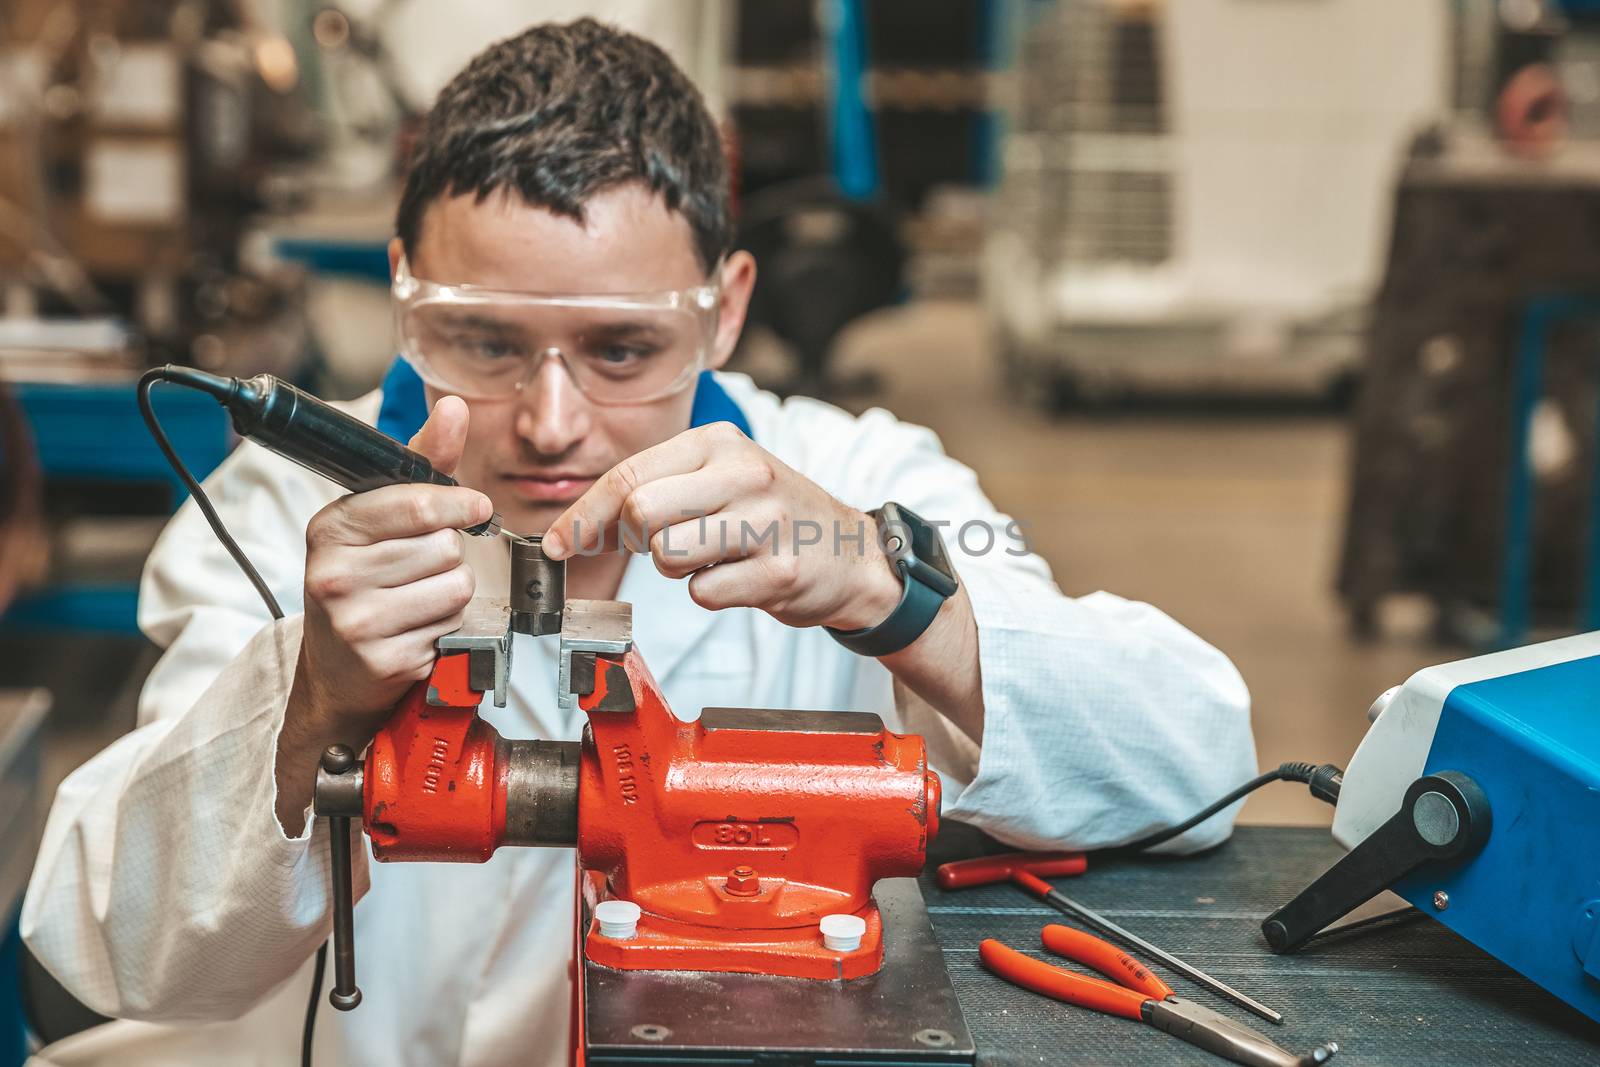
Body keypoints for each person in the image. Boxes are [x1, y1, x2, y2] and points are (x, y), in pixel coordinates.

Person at [21, 19, 1255, 1067]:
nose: (552, 423)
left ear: (723, 309)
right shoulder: (273, 515)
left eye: (621, 349)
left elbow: (1197, 764)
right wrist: (306, 704)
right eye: (485, 342)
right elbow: (109, 941)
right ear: (404, 291)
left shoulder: (868, 480)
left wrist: (899, 594)